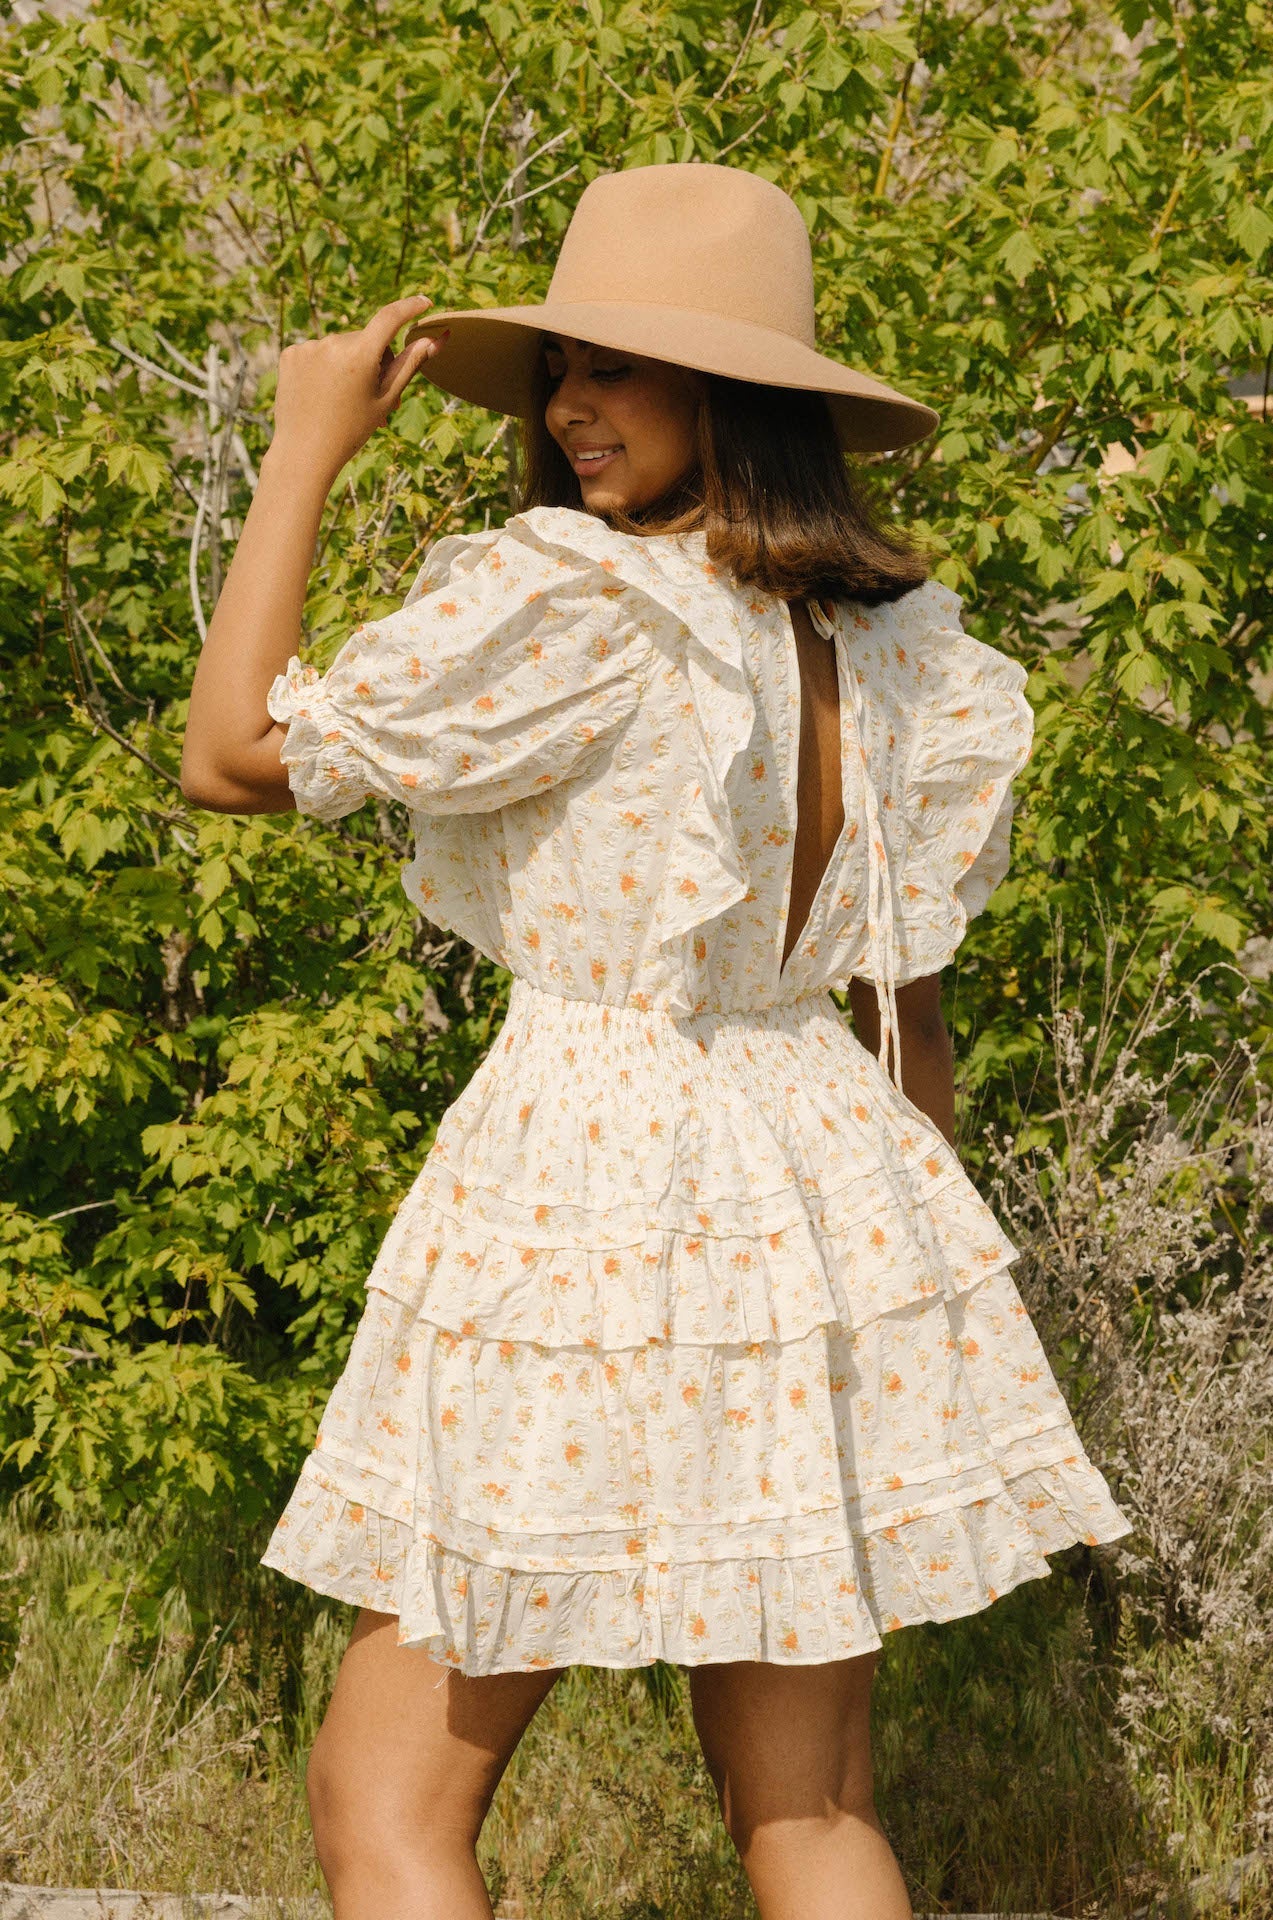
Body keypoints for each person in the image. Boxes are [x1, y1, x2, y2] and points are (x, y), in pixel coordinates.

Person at [181, 163, 1133, 1920]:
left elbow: (232, 757)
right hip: (824, 1177)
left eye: (618, 369)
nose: (568, 408)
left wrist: (302, 447)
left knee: (384, 1802)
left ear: (737, 397)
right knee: (811, 1812)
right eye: (563, 368)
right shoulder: (903, 654)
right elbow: (904, 1018)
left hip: (592, 1183)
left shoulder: (581, 600)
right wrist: (885, 1271)